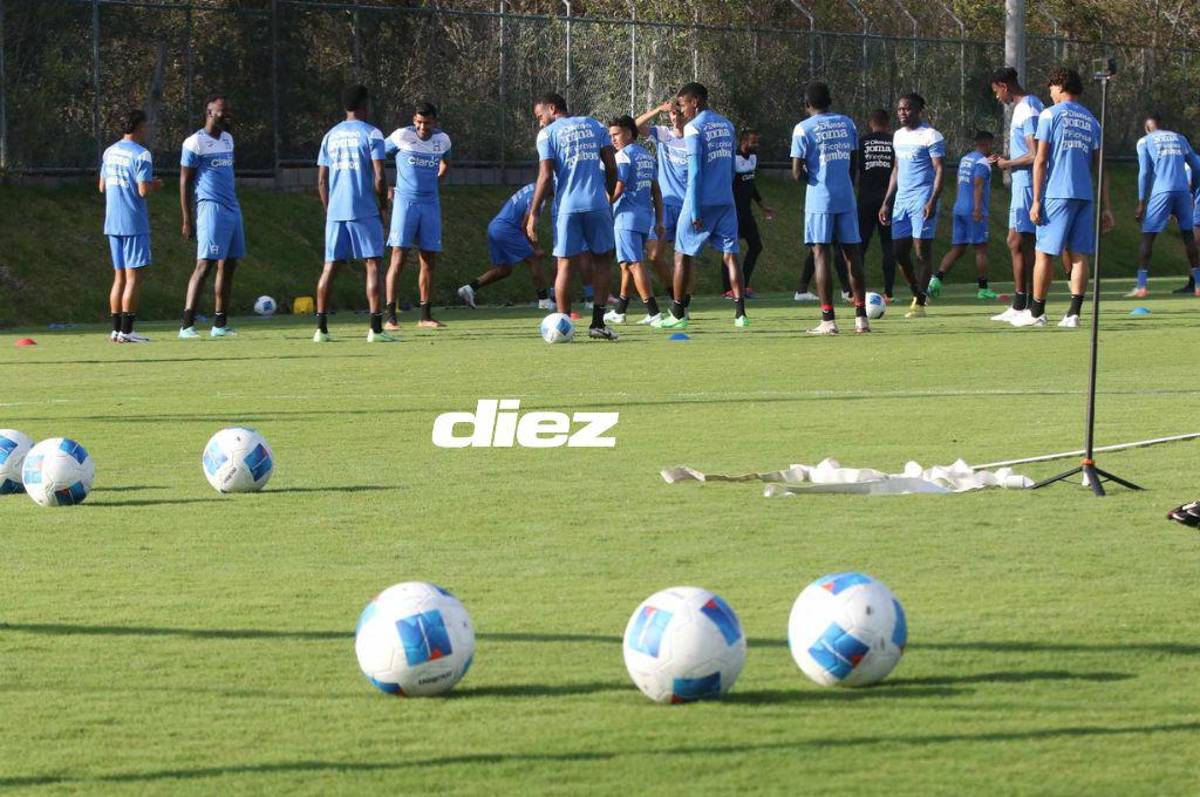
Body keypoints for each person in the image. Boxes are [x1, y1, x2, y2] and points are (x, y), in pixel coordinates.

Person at [1012, 67, 1114, 328]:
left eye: (1051, 88)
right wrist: (1107, 207)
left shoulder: (1049, 114)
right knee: (1080, 254)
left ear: (1059, 86)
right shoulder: (1093, 120)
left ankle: (1037, 313)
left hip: (1057, 193)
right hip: (1085, 195)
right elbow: (1101, 166)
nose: (1050, 93)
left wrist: (1036, 200)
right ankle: (1073, 314)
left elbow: (1041, 158)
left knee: (1044, 252)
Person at [525, 92, 620, 341]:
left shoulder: (548, 134)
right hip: (597, 203)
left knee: (565, 264)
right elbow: (611, 166)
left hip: (567, 206)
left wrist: (533, 213)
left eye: (540, 116)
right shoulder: (595, 125)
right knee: (603, 261)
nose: (540, 122)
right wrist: (608, 194)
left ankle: (562, 323)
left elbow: (545, 175)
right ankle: (598, 323)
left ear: (552, 109)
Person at [657, 82, 747, 329]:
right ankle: (740, 314)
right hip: (725, 199)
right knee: (731, 255)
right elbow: (731, 166)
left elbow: (695, 173)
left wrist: (695, 210)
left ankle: (677, 313)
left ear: (695, 101)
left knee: (681, 254)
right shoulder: (727, 125)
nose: (682, 110)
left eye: (684, 104)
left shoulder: (694, 128)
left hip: (701, 200)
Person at [313, 84, 390, 343]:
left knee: (329, 268)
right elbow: (379, 177)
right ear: (364, 104)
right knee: (373, 265)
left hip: (336, 211)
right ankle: (375, 330)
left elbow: (322, 180)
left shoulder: (330, 136)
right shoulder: (372, 134)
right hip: (364, 208)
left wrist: (328, 210)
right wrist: (382, 206)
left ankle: (321, 329)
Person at [790, 81, 868, 334]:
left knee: (821, 254)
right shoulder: (847, 123)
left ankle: (828, 319)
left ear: (806, 104)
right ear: (830, 100)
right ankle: (861, 318)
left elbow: (795, 171)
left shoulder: (803, 128)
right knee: (852, 254)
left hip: (819, 197)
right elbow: (855, 162)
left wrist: (809, 175)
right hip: (845, 195)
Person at [179, 95, 243, 339]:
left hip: (232, 208)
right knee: (204, 265)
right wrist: (187, 218)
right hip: (210, 208)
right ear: (209, 113)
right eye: (222, 111)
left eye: (228, 111)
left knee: (229, 265)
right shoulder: (195, 142)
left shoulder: (228, 139)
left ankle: (219, 324)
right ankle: (186, 325)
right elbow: (185, 181)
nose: (227, 114)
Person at [384, 102, 451, 329]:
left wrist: (437, 181)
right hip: (405, 203)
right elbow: (376, 158)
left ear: (435, 122)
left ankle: (425, 316)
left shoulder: (443, 140)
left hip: (430, 204)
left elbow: (446, 163)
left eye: (427, 123)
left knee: (429, 259)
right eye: (419, 122)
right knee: (399, 256)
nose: (423, 127)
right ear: (414, 120)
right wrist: (386, 188)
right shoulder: (401, 136)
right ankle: (391, 316)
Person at [880, 92, 945, 318]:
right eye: (899, 109)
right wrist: (887, 201)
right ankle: (917, 291)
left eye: (907, 109)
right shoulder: (897, 136)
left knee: (921, 252)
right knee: (898, 252)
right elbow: (896, 169)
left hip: (922, 198)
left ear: (918, 110)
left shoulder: (931, 135)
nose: (902, 113)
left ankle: (919, 302)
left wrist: (932, 200)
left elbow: (939, 169)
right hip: (901, 202)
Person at [100, 109, 162, 343]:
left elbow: (102, 187)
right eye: (146, 126)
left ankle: (116, 331)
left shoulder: (110, 151)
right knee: (134, 278)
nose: (148, 130)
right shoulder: (142, 154)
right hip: (133, 221)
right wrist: (154, 184)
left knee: (119, 277)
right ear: (139, 127)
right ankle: (127, 331)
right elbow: (143, 190)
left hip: (112, 221)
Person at [989, 67, 1045, 322]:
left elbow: (1036, 154)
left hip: (1029, 184)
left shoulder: (1029, 107)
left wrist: (1007, 164)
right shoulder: (1023, 107)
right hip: (1021, 182)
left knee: (1025, 242)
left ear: (1004, 85)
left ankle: (1033, 307)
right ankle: (1019, 303)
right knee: (1015, 241)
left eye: (996, 91)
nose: (996, 97)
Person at [1129, 114, 1200, 297]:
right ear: (1162, 126)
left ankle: (1142, 286)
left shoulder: (1145, 141)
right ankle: (1199, 285)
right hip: (1183, 192)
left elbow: (1144, 172)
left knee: (1148, 237)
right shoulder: (1180, 138)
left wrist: (1141, 202)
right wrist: (1191, 191)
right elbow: (1196, 166)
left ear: (1147, 128)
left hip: (1162, 191)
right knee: (1188, 237)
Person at [604, 115, 664, 326]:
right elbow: (656, 191)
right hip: (644, 216)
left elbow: (618, 189)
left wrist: (604, 200)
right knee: (626, 265)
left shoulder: (622, 156)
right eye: (610, 135)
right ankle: (620, 311)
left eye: (616, 134)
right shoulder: (647, 155)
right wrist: (660, 220)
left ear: (629, 133)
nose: (613, 139)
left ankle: (654, 312)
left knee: (635, 264)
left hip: (626, 217)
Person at [457, 183, 555, 310]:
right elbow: (527, 225)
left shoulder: (533, 186)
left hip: (495, 226)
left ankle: (470, 288)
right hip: (507, 229)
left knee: (504, 270)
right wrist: (536, 247)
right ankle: (544, 301)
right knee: (534, 259)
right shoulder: (538, 196)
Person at [929, 130, 995, 298]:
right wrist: (978, 209)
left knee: (958, 248)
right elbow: (978, 184)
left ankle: (936, 279)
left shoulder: (966, 159)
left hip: (959, 208)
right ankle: (983, 289)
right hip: (974, 210)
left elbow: (961, 182)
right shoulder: (982, 162)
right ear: (987, 144)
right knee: (981, 249)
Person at [636, 99, 687, 298]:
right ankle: (675, 296)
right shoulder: (664, 134)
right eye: (672, 114)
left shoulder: (695, 138)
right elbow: (636, 125)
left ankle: (684, 303)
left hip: (687, 205)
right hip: (665, 205)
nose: (675, 118)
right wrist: (658, 109)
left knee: (684, 257)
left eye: (679, 113)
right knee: (654, 255)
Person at [725, 128, 776, 298]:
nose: (757, 145)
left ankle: (743, 285)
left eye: (757, 141)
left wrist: (762, 206)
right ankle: (728, 289)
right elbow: (726, 186)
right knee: (730, 250)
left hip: (746, 212)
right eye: (754, 141)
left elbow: (751, 185)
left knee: (756, 246)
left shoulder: (753, 158)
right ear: (744, 141)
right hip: (733, 212)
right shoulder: (733, 159)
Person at [855, 108, 897, 301]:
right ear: (887, 124)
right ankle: (888, 292)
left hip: (865, 199)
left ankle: (857, 292)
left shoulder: (861, 143)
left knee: (861, 245)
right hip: (889, 200)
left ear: (871, 124)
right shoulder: (894, 143)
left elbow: (853, 170)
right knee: (888, 245)